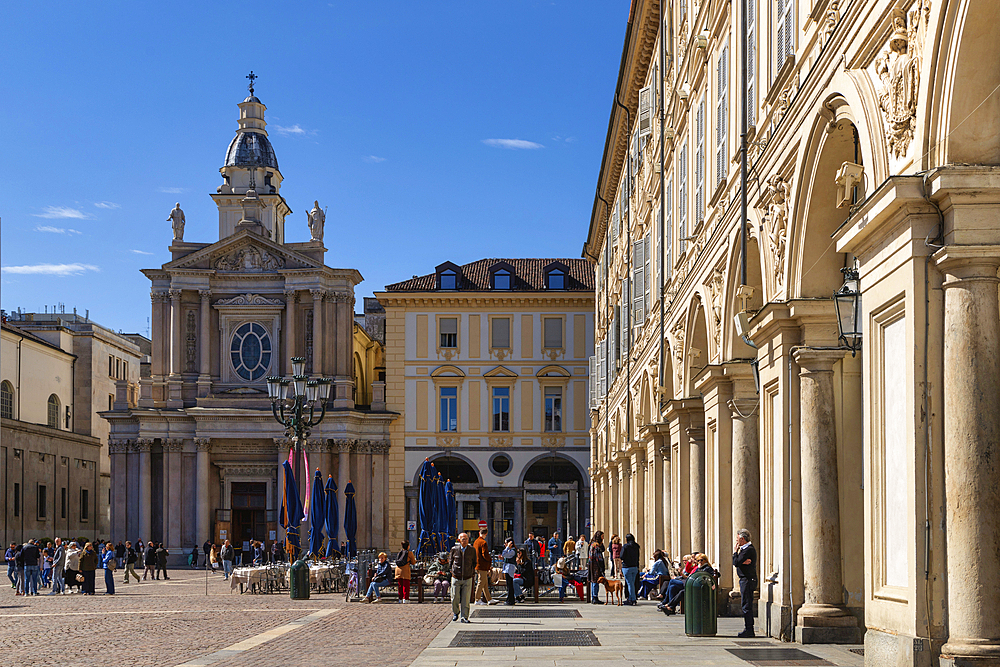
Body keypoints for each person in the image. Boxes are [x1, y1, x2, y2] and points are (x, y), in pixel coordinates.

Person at [734, 529, 759, 638]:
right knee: (745, 604)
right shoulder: (744, 550)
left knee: (746, 605)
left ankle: (749, 629)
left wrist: (735, 552)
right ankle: (748, 628)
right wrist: (740, 561)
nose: (736, 540)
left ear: (742, 539)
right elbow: (738, 562)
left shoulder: (748, 550)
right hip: (744, 579)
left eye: (737, 538)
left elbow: (736, 562)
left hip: (748, 580)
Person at [449, 532, 477, 623]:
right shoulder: (454, 549)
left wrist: (471, 572)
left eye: (466, 539)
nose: (465, 541)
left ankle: (464, 617)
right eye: (463, 539)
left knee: (466, 598)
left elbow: (474, 562)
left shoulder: (471, 550)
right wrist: (452, 571)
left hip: (467, 577)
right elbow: (450, 561)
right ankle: (456, 612)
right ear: (459, 540)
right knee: (454, 597)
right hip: (456, 576)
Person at [472, 528, 492, 605]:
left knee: (484, 582)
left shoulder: (476, 542)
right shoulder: (483, 542)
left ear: (479, 532)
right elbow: (485, 554)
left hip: (477, 564)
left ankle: (489, 598)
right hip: (483, 565)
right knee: (481, 582)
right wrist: (489, 560)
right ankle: (477, 599)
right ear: (486, 534)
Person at [620, 533, 641, 605]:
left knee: (630, 583)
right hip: (634, 566)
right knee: (632, 583)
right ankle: (632, 598)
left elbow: (621, 556)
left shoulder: (625, 546)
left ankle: (632, 599)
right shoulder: (636, 546)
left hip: (627, 566)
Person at [588, 531, 606, 604]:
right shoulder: (596, 545)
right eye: (602, 536)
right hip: (596, 565)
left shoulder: (592, 544)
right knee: (596, 581)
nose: (603, 538)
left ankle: (593, 597)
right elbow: (599, 557)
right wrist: (602, 567)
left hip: (591, 564)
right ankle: (595, 597)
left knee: (593, 581)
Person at [501, 538, 517, 606]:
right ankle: (510, 599)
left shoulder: (512, 551)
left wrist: (507, 547)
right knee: (508, 584)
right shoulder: (509, 550)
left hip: (510, 568)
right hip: (507, 568)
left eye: (506, 543)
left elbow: (504, 554)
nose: (505, 545)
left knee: (510, 584)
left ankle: (511, 600)